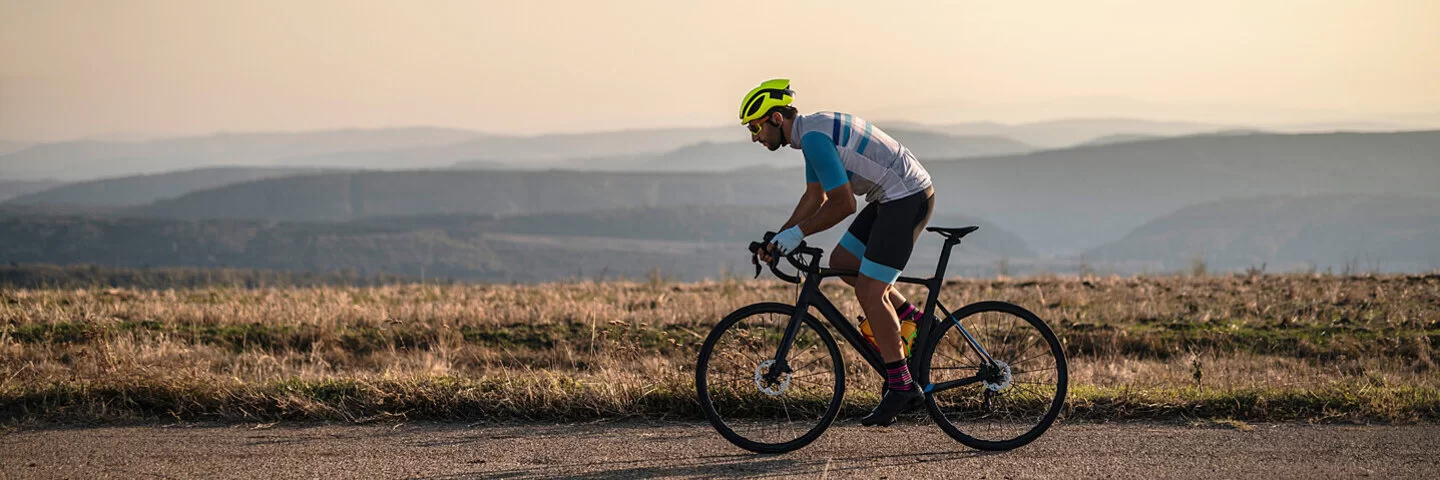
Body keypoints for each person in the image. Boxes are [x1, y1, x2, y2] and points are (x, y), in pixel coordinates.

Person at [742, 79, 935, 426]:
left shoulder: (814, 139)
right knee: (844, 264)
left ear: (774, 118)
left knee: (869, 291)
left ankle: (902, 385)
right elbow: (815, 198)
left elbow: (844, 204)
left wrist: (797, 233)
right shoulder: (808, 134)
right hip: (890, 197)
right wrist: (781, 237)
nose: (755, 137)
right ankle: (918, 321)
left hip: (906, 197)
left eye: (755, 127)